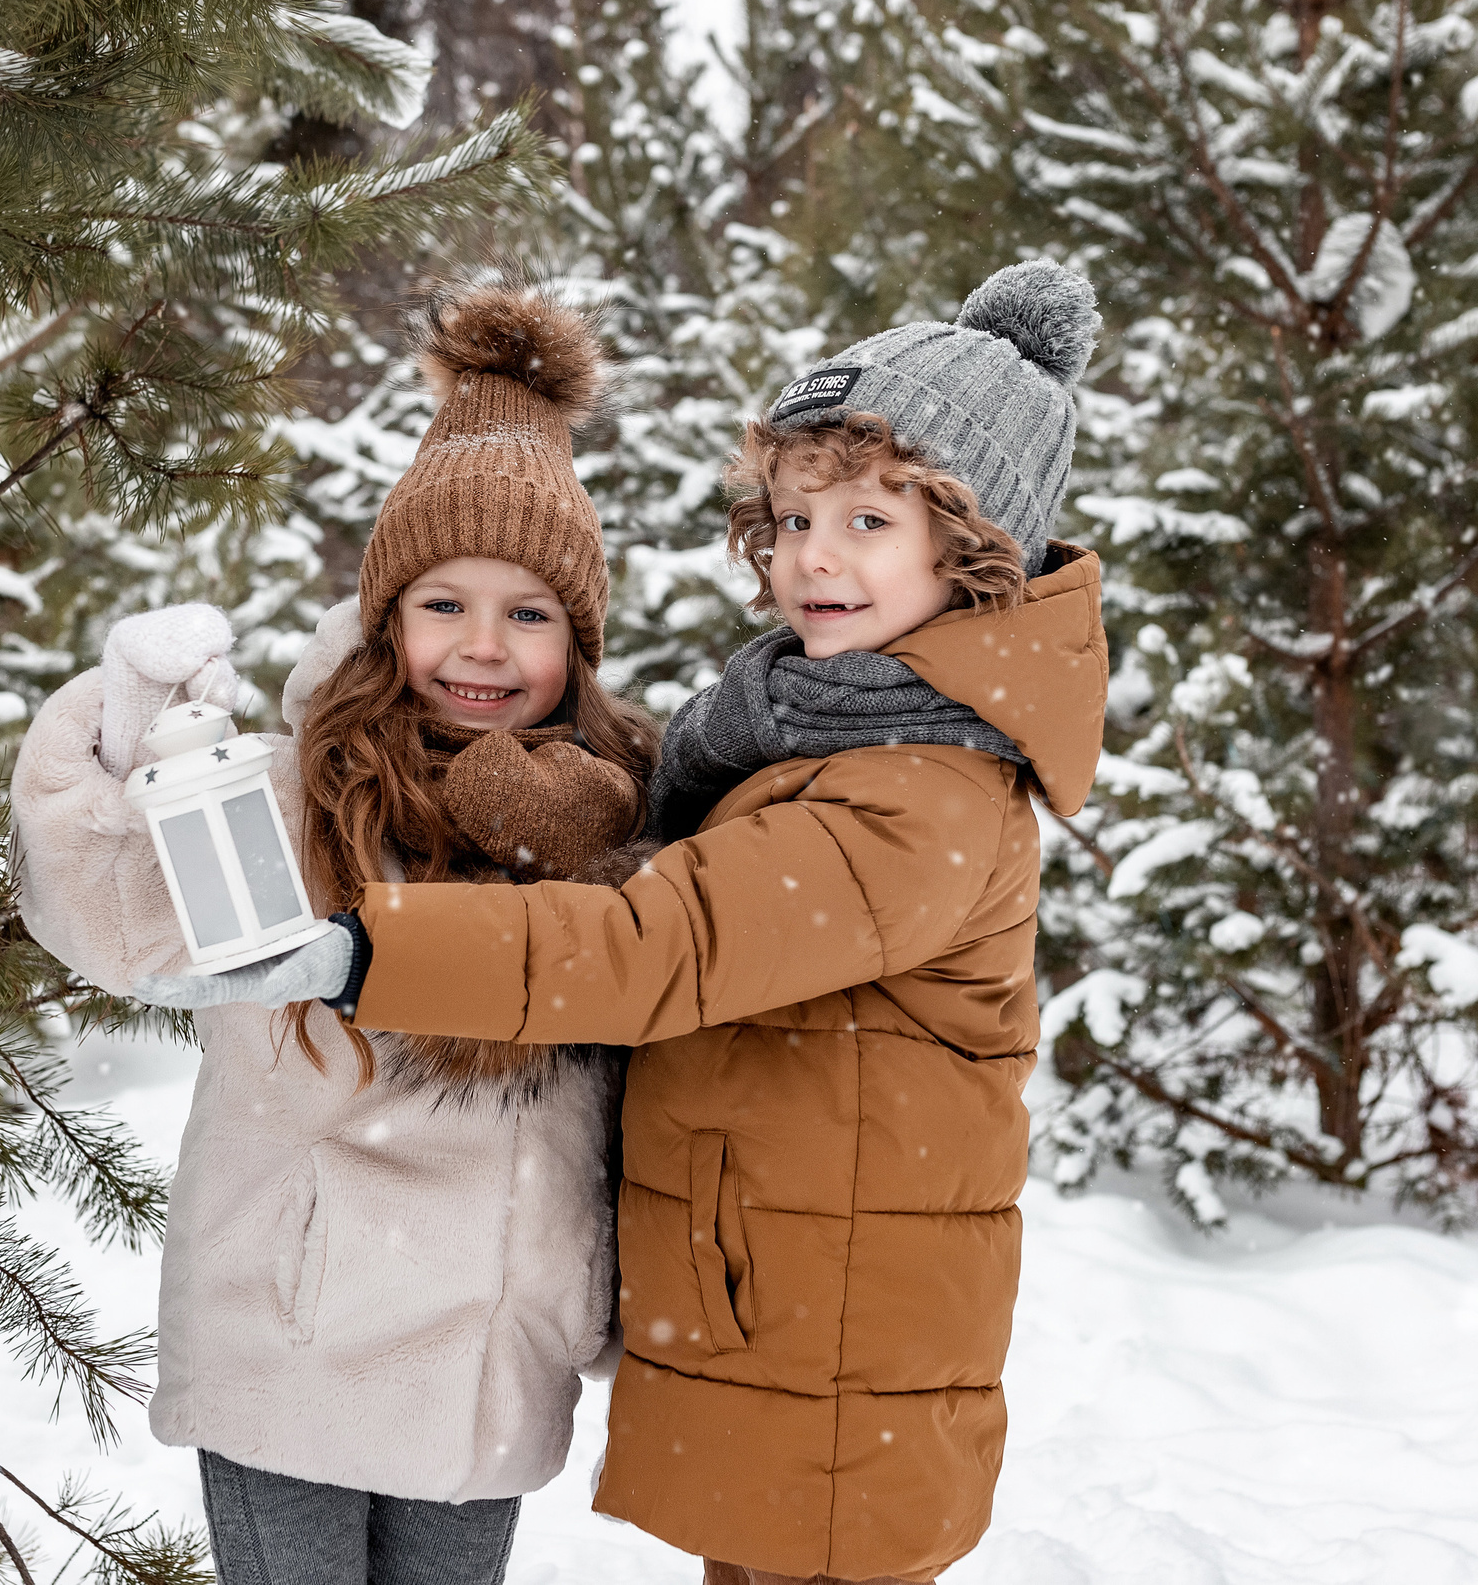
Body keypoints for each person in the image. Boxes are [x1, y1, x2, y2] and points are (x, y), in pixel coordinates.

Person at [141, 260, 1110, 1585]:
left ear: (974, 543)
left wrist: (377, 947)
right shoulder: (824, 732)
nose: (811, 554)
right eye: (793, 515)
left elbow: (662, 945)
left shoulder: (922, 793)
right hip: (787, 1301)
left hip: (836, 1340)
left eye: (869, 520)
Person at [13, 285, 658, 1585]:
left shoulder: (621, 823)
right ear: (386, 620)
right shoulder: (307, 788)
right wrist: (127, 739)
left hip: (489, 1348)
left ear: (578, 643)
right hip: (298, 1335)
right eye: (444, 606)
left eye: (529, 614)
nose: (485, 646)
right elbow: (118, 917)